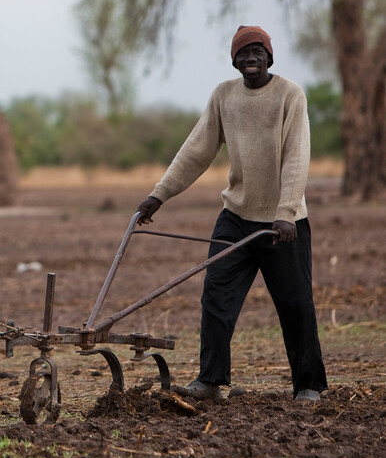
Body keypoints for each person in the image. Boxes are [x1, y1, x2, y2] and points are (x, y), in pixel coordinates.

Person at [137, 25, 328, 402]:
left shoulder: (290, 95)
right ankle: (210, 380)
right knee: (216, 296)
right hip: (236, 216)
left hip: (282, 225)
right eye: (243, 53)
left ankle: (308, 385)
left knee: (295, 304)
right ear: (235, 60)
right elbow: (196, 151)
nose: (251, 58)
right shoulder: (224, 96)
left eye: (258, 51)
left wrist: (286, 212)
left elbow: (296, 158)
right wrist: (158, 196)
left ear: (269, 57)